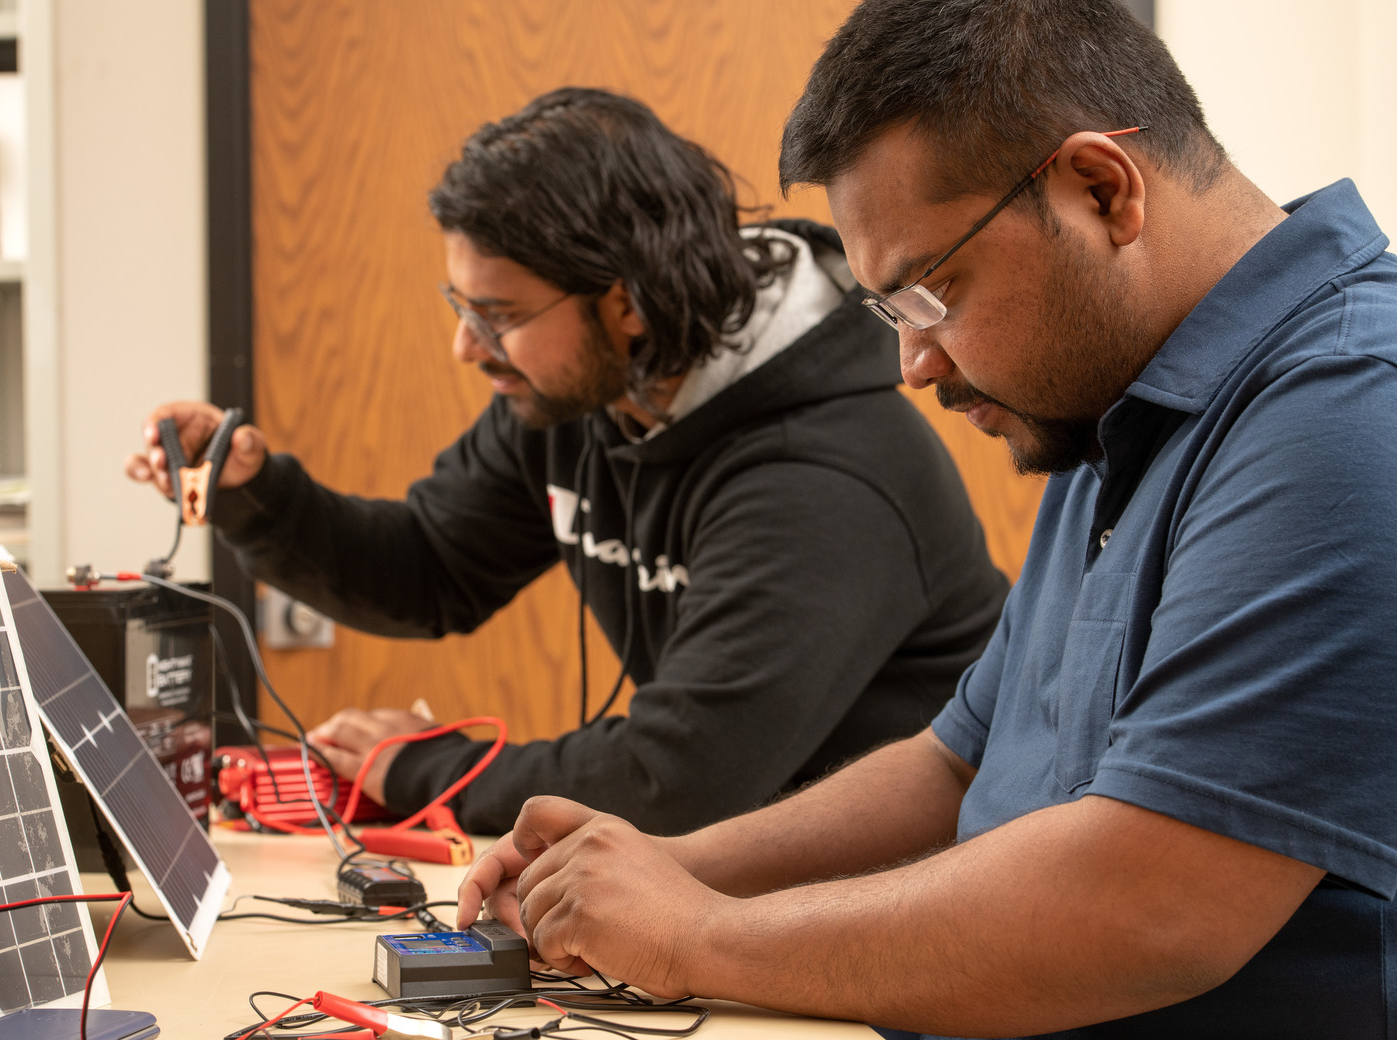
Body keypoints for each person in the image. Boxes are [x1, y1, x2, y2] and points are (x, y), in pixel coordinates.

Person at [456, 3, 1397, 1038]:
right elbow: (956, 760)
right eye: (892, 315)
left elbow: (1155, 904)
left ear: (1101, 189)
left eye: (932, 292)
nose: (916, 365)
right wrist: (664, 861)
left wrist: (696, 936)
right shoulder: (1123, 398)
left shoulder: (1346, 410)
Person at [127, 87, 1009, 837]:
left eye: (498, 314)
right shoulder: (586, 395)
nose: (467, 348)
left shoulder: (824, 478)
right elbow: (429, 569)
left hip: (901, 909)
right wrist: (258, 494)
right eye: (460, 305)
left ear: (624, 304)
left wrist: (425, 770)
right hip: (750, 879)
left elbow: (674, 781)